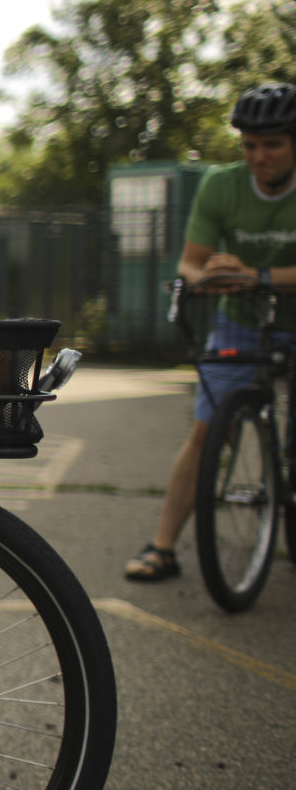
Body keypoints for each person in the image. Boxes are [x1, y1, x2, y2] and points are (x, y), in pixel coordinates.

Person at [127, 81, 296, 582]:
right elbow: (189, 264)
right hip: (243, 319)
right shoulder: (222, 185)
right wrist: (215, 277)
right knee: (207, 431)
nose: (259, 156)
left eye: (272, 144)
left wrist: (256, 276)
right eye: (249, 145)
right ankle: (163, 548)